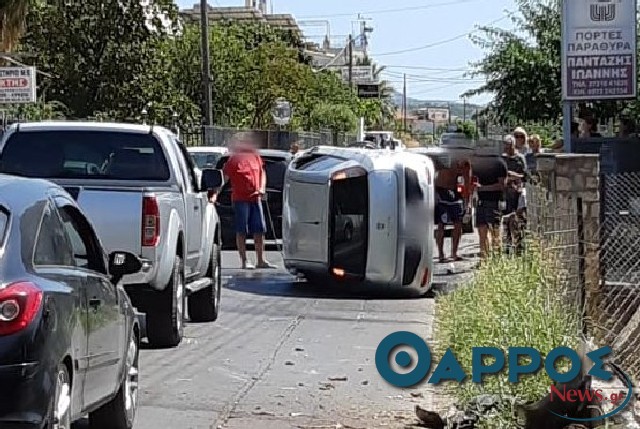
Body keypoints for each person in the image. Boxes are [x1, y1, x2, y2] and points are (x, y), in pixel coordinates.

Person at [222, 133, 276, 270]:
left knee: (259, 230)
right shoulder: (233, 160)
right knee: (242, 230)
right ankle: (244, 261)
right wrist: (215, 192)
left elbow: (262, 173)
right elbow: (224, 177)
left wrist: (262, 188)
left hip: (256, 198)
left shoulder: (255, 157)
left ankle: (261, 260)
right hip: (240, 199)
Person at [472, 152, 508, 258]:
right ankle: (484, 259)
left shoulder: (499, 163)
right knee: (482, 230)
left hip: (494, 201)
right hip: (480, 201)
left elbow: (502, 185)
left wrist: (482, 188)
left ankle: (497, 258)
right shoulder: (478, 164)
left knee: (495, 231)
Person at [434, 156, 466, 263]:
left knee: (458, 223)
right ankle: (441, 254)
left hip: (455, 194)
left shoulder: (460, 159)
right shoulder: (441, 160)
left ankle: (454, 253)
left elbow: (463, 176)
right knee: (441, 224)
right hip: (442, 193)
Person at [502, 136, 527, 253]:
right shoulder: (502, 159)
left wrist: (514, 176)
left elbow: (525, 175)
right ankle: (507, 245)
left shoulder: (520, 158)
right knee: (506, 220)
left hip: (518, 192)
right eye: (505, 146)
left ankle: (519, 245)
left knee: (518, 219)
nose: (507, 149)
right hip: (506, 193)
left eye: (509, 146)